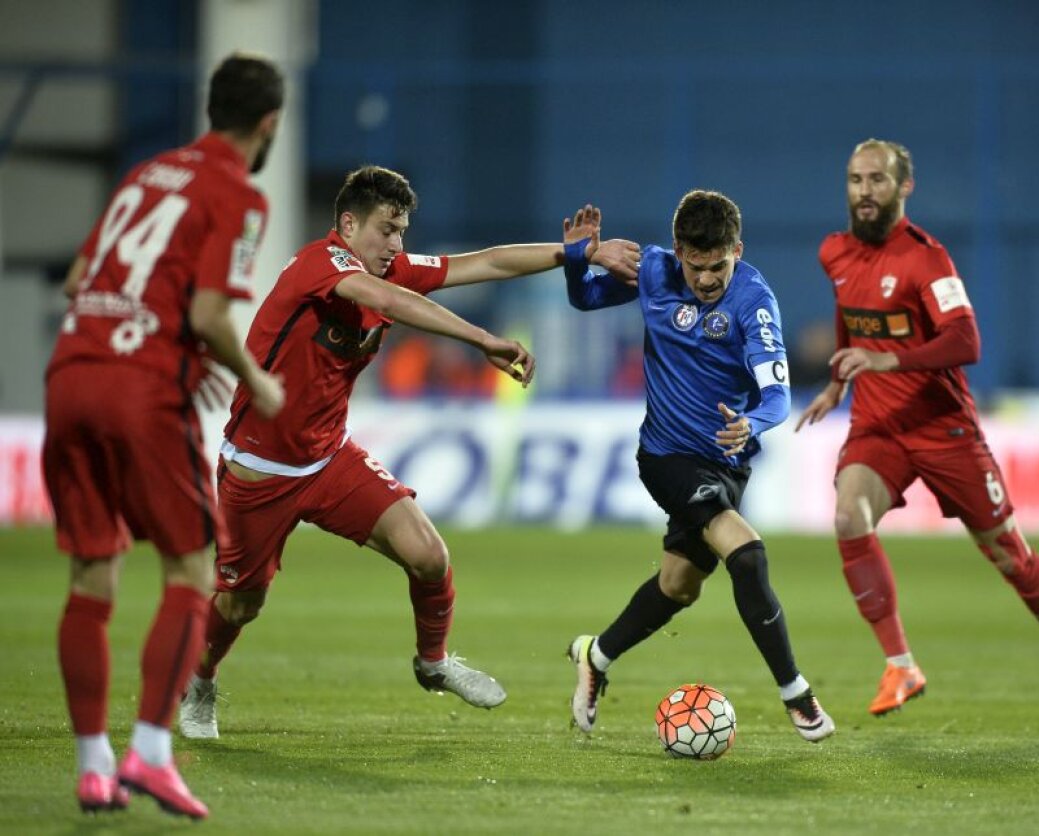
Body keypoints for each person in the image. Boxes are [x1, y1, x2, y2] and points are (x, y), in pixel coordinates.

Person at [178, 165, 640, 738]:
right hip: (260, 470)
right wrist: (484, 340)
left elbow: (486, 262)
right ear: (348, 224)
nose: (397, 244)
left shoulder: (387, 267)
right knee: (241, 604)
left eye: (402, 231)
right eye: (387, 229)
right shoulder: (318, 266)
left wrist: (579, 256)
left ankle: (433, 661)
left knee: (428, 555)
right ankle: (199, 684)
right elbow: (388, 302)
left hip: (328, 458)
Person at [795, 139, 1039, 735]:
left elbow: (967, 342)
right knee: (848, 516)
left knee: (1008, 555)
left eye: (877, 180)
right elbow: (849, 313)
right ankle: (900, 665)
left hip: (944, 429)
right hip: (879, 426)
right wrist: (839, 380)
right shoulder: (833, 251)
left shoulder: (926, 260)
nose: (864, 191)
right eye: (855, 179)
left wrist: (887, 362)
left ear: (903, 187)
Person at [43, 53, 287, 820]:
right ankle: (150, 754)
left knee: (91, 573)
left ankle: (92, 767)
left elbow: (78, 278)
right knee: (190, 568)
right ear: (270, 125)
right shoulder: (238, 195)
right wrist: (255, 379)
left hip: (70, 374)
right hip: (139, 388)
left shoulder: (146, 176)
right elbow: (212, 315)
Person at [562, 194, 836, 743]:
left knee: (678, 586)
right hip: (665, 456)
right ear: (680, 252)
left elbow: (777, 394)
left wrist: (752, 424)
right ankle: (796, 694)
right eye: (696, 265)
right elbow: (587, 297)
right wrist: (575, 259)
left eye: (719, 266)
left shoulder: (755, 302)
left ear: (738, 249)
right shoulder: (655, 270)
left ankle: (596, 655)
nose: (707, 279)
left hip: (726, 461)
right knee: (748, 554)